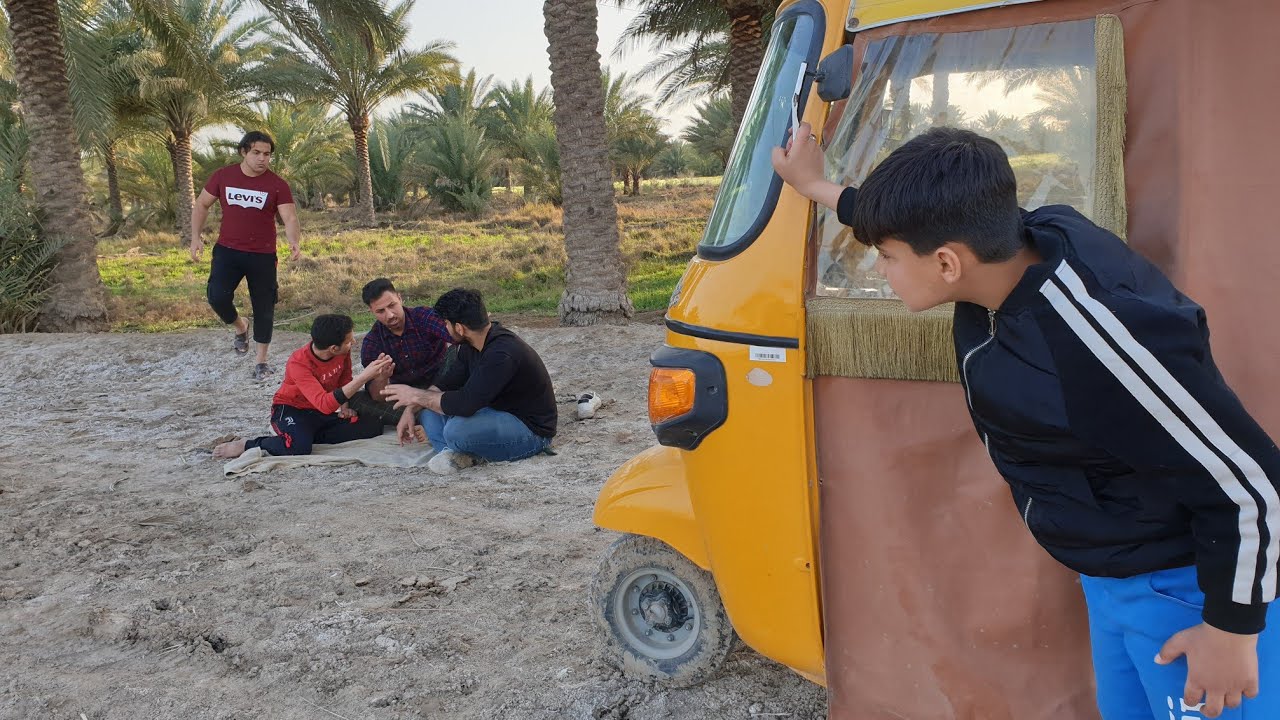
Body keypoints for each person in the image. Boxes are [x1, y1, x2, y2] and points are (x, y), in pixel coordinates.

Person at [773, 123, 1280, 720]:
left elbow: (1253, 485)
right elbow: (920, 220)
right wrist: (817, 187)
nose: (881, 269)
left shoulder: (1098, 342)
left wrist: (1232, 630)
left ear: (946, 262)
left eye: (886, 257)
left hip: (1188, 592)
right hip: (1112, 575)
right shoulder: (1014, 238)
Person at [382, 289, 556, 475]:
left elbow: (466, 403)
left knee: (455, 430)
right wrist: (411, 408)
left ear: (459, 328)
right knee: (428, 412)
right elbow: (446, 383)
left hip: (530, 430)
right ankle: (456, 453)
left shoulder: (501, 353)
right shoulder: (471, 345)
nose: (445, 328)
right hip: (492, 414)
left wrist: (415, 395)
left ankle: (458, 452)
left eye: (446, 323)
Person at [191, 130, 301, 381]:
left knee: (264, 307)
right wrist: (195, 237)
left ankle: (261, 362)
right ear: (243, 152)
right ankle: (241, 326)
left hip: (262, 255)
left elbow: (290, 217)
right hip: (227, 251)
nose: (262, 159)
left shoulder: (277, 184)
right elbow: (202, 204)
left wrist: (294, 241)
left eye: (267, 154)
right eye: (256, 153)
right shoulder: (223, 176)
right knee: (217, 297)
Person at [213, 314, 392, 459]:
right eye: (349, 341)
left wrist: (345, 408)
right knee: (298, 449)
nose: (353, 343)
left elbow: (344, 380)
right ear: (333, 348)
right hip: (292, 409)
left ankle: (303, 434)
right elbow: (325, 404)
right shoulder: (299, 363)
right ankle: (248, 444)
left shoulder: (342, 353)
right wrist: (365, 376)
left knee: (373, 425)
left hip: (320, 414)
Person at [346, 278, 453, 438]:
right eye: (381, 311)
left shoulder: (423, 316)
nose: (390, 315)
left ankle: (429, 414)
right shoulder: (373, 342)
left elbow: (456, 337)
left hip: (442, 384)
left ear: (400, 298)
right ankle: (436, 413)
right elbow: (378, 396)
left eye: (392, 305)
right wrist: (382, 378)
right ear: (371, 311)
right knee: (356, 399)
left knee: (457, 352)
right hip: (405, 394)